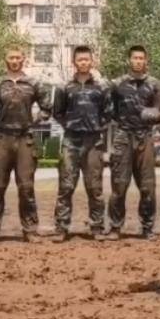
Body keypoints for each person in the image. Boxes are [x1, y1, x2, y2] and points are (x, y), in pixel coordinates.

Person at [0, 46, 51, 243]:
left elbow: (47, 108)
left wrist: (34, 121)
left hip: (24, 140)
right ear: (6, 60)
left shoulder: (33, 83)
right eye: (11, 57)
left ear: (24, 60)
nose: (14, 60)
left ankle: (30, 230)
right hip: (2, 140)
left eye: (18, 57)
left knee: (26, 188)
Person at [107, 45, 160, 240]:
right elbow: (111, 111)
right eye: (135, 58)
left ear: (146, 60)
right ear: (129, 60)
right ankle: (116, 227)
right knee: (119, 185)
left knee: (147, 186)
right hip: (123, 136)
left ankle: (148, 227)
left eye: (142, 58)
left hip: (145, 137)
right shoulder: (117, 84)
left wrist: (147, 114)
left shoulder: (154, 84)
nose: (138, 61)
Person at [52, 46, 111, 241]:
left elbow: (108, 113)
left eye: (87, 59)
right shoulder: (64, 87)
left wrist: (97, 127)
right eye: (80, 60)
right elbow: (57, 112)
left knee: (94, 186)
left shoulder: (101, 87)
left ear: (92, 62)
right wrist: (71, 125)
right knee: (66, 185)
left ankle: (96, 227)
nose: (84, 62)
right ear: (74, 62)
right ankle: (61, 228)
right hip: (71, 140)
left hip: (93, 141)